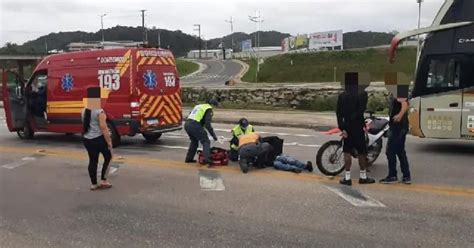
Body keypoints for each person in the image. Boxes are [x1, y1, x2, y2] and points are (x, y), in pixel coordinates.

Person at [336, 75, 375, 186]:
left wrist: (342, 128)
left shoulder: (342, 96)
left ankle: (347, 178)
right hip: (357, 126)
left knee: (347, 151)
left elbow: (338, 114)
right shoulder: (362, 94)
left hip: (347, 127)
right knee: (362, 151)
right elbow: (360, 110)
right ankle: (363, 176)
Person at [82, 87, 113, 191]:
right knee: (108, 157)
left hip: (87, 139)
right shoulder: (99, 111)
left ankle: (93, 184)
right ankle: (104, 180)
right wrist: (109, 142)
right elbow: (104, 128)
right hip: (98, 139)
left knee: (93, 160)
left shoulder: (84, 111)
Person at [380, 93, 411, 184]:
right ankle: (406, 176)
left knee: (390, 151)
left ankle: (392, 175)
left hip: (398, 128)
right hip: (400, 127)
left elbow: (405, 104)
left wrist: (399, 116)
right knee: (400, 151)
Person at [185, 98, 219, 166]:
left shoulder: (198, 106)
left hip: (187, 124)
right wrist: (214, 136)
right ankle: (207, 159)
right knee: (206, 141)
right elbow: (207, 124)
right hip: (195, 125)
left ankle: (189, 158)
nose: (214, 108)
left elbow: (191, 115)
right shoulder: (208, 109)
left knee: (194, 142)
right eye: (215, 106)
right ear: (212, 105)